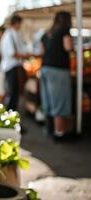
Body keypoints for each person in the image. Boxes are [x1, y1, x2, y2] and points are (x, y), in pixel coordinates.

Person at [39, 11, 73, 140]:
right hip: (58, 70)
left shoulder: (47, 33)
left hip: (45, 68)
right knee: (60, 101)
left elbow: (41, 51)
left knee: (48, 101)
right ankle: (60, 133)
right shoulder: (64, 31)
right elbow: (68, 47)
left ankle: (49, 129)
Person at [0, 15, 29, 111]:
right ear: (16, 23)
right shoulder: (9, 35)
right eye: (20, 23)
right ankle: (10, 112)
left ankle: (12, 112)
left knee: (15, 92)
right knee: (13, 91)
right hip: (11, 66)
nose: (20, 26)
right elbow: (12, 53)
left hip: (14, 66)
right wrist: (26, 55)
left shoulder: (15, 34)